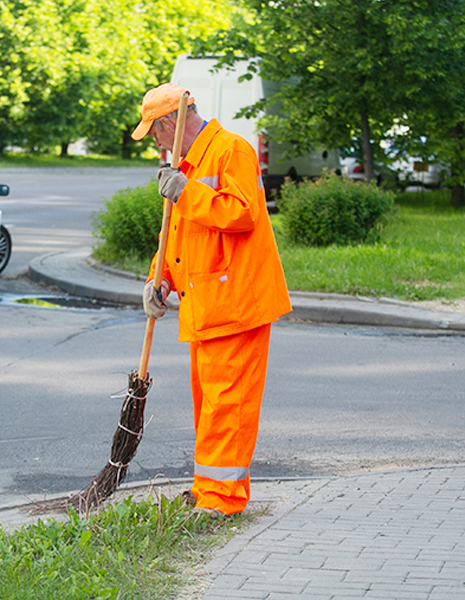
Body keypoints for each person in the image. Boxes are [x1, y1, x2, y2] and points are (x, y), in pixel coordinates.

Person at [131, 83, 292, 517]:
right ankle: (209, 491)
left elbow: (242, 214)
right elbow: (177, 237)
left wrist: (188, 191)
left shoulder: (230, 151)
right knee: (212, 406)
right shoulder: (186, 165)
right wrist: (158, 280)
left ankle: (222, 500)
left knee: (228, 406)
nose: (155, 144)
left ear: (171, 122)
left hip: (237, 304)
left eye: (155, 133)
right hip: (209, 305)